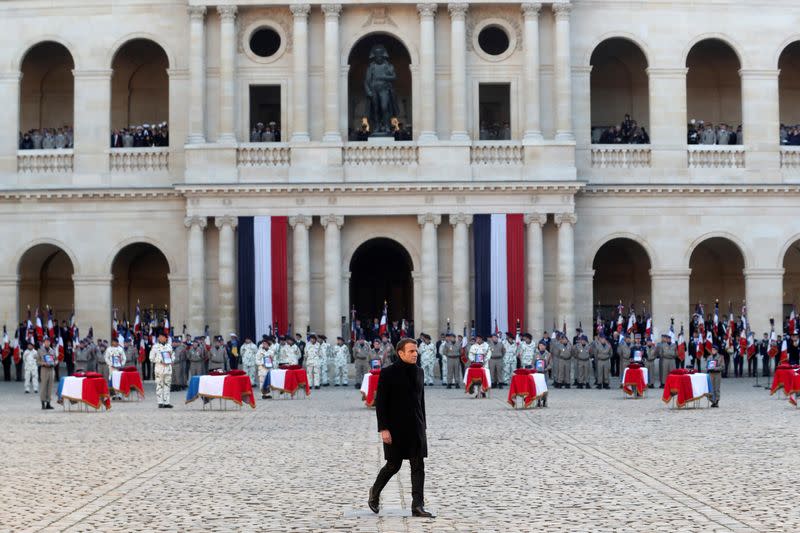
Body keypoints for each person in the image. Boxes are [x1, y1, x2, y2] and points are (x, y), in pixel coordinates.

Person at [369, 338, 433, 518]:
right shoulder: (388, 373)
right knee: (393, 465)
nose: (415, 354)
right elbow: (381, 403)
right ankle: (374, 492)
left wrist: (423, 426)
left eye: (416, 351)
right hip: (395, 428)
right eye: (411, 351)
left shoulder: (419, 372)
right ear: (401, 353)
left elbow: (421, 401)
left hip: (416, 427)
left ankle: (417, 505)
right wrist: (383, 429)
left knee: (418, 465)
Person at [149, 333, 174, 408]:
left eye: (162, 337)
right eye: (159, 337)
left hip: (168, 369)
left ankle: (167, 402)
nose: (160, 338)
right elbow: (151, 358)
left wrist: (171, 360)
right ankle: (160, 402)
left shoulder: (169, 346)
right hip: (159, 369)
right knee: (159, 385)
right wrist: (160, 361)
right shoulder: (155, 347)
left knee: (167, 385)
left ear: (166, 338)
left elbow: (173, 355)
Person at [37, 339, 57, 409]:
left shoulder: (53, 350)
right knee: (44, 386)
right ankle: (43, 403)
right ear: (44, 343)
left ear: (50, 343)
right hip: (44, 369)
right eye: (46, 342)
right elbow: (38, 361)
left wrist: (54, 363)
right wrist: (44, 363)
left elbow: (56, 360)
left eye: (48, 342)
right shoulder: (40, 350)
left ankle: (48, 403)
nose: (47, 343)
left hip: (51, 370)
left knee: (50, 387)